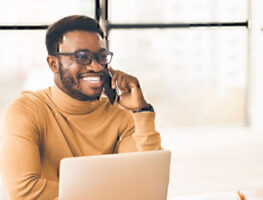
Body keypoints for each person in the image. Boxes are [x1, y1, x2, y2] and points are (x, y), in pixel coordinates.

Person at [0, 15, 162, 200]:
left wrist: (141, 112)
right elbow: (25, 191)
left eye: (101, 56)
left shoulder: (121, 114)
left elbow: (148, 186)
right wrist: (112, 193)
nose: (96, 66)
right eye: (82, 57)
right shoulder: (26, 110)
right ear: (54, 63)